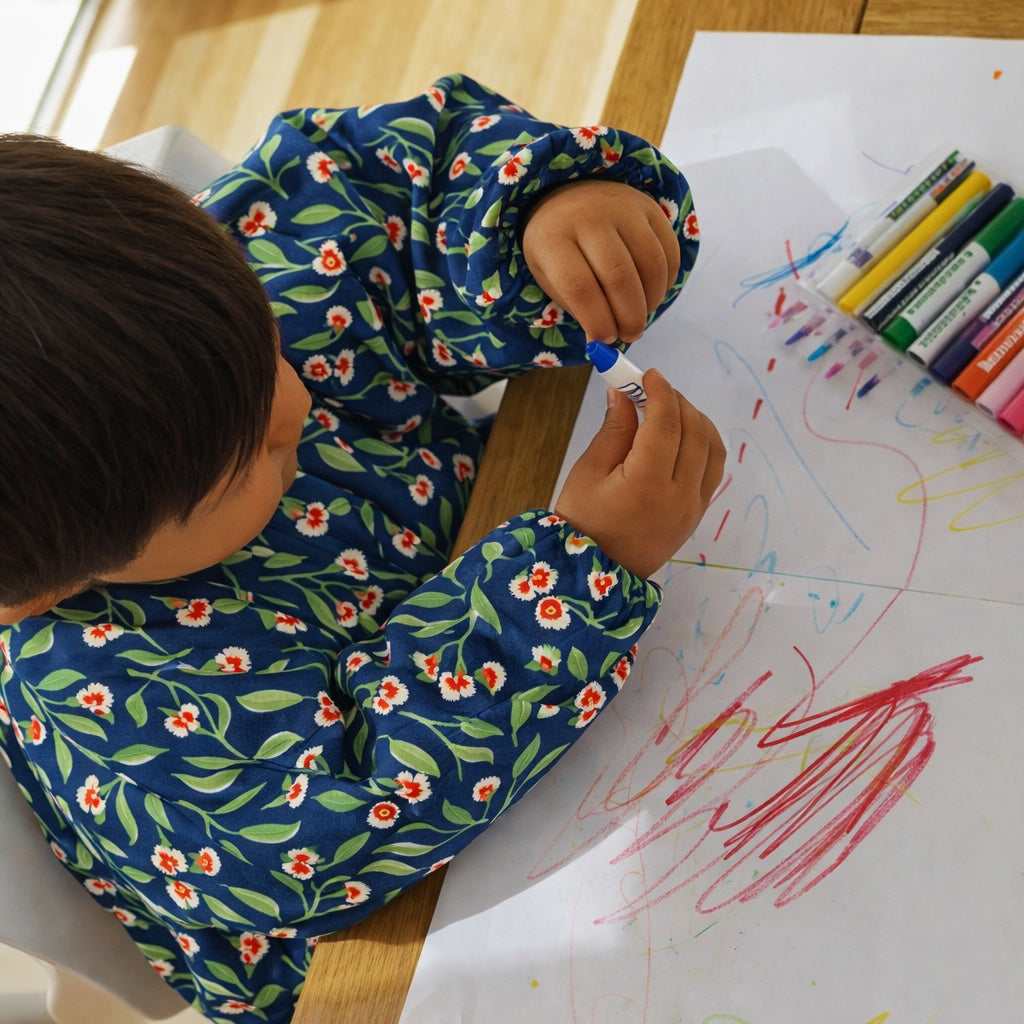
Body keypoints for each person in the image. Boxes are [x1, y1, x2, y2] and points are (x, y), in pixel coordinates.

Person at [0, 75, 724, 1023]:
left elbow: (380, 182)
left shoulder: (196, 290)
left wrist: (541, 218)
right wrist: (579, 570)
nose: (294, 402)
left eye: (265, 346)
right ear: (36, 593)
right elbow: (348, 817)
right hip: (430, 952)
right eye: (241, 464)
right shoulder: (100, 694)